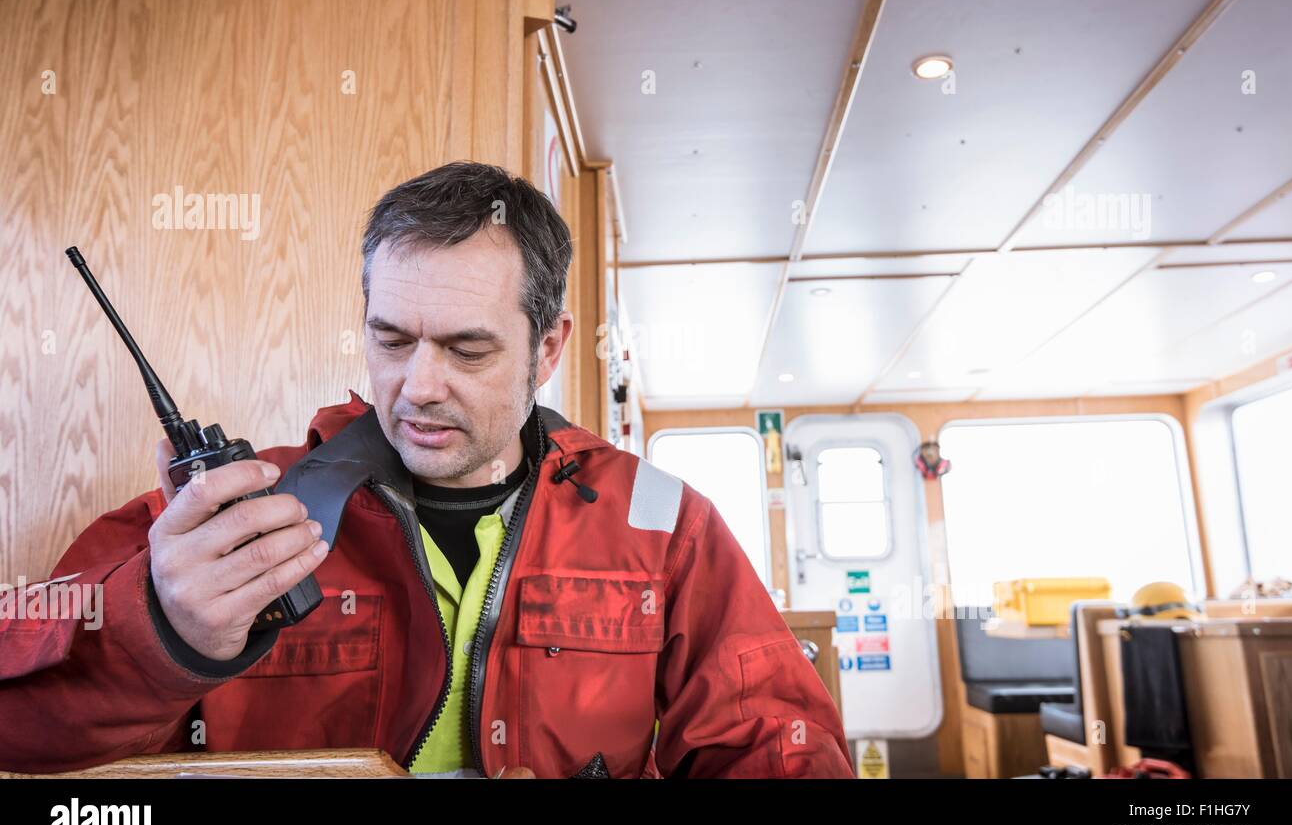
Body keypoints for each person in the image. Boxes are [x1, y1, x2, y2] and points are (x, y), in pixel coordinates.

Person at [0, 161, 854, 779]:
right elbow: (32, 749)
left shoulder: (664, 521)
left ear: (548, 348)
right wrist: (160, 637)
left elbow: (781, 751)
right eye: (392, 339)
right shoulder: (236, 513)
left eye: (468, 348)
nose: (418, 386)